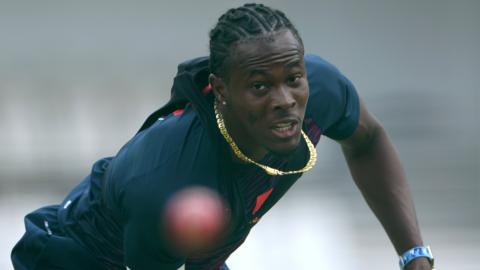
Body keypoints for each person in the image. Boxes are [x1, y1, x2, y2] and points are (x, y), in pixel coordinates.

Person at [11, 3, 434, 270]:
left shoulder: (320, 89)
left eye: (293, 78)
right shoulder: (169, 183)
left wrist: (413, 254)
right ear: (221, 89)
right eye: (260, 86)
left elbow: (369, 141)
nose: (286, 99)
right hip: (78, 257)